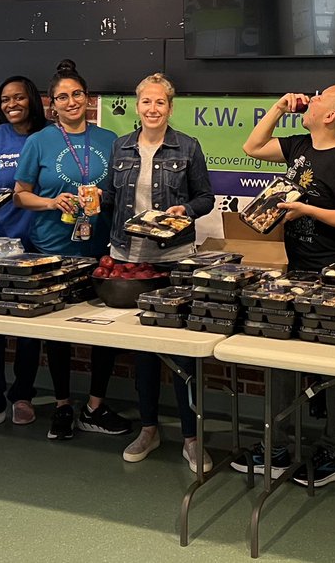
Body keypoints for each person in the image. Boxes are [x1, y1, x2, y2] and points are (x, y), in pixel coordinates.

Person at [239, 82, 335, 486]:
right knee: (282, 359)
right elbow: (252, 147)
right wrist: (278, 109)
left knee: (334, 369)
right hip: (296, 270)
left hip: (333, 275)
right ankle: (277, 447)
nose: (309, 100)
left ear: (331, 115)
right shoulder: (299, 144)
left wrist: (306, 209)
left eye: (319, 98)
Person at [103, 73, 215, 470]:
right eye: (146, 102)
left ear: (170, 108)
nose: (153, 109)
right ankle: (148, 428)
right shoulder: (121, 146)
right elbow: (111, 198)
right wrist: (90, 198)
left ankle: (191, 437)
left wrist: (185, 210)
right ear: (137, 107)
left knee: (182, 355)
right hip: (129, 258)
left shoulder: (187, 146)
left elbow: (206, 198)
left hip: (173, 259)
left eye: (160, 103)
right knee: (144, 354)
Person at [13, 60, 128, 441]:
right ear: (53, 105)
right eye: (62, 96)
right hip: (52, 249)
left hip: (99, 250)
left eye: (77, 94)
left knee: (103, 332)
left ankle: (95, 405)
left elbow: (121, 192)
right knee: (57, 334)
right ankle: (62, 404)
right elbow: (21, 195)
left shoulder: (110, 140)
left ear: (87, 98)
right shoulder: (38, 142)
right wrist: (52, 202)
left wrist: (103, 200)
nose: (71, 101)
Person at [0, 76, 48, 436]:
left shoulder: (48, 136)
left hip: (36, 242)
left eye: (18, 97)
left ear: (31, 99)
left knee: (29, 326)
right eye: (4, 99)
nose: (11, 104)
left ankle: (22, 395)